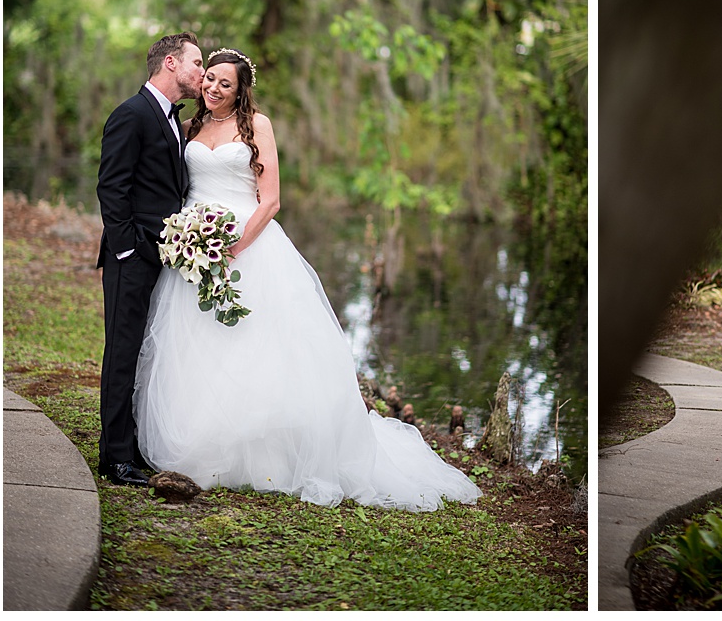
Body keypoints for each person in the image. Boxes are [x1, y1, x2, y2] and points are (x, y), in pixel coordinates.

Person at [133, 48, 482, 510]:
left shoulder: (257, 125)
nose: (215, 88)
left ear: (240, 92)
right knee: (193, 343)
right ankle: (201, 440)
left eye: (226, 84)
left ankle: (262, 450)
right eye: (210, 78)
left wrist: (234, 247)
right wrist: (190, 239)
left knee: (254, 345)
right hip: (194, 249)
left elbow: (271, 200)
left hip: (246, 245)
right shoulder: (189, 127)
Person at [97, 32, 205, 486]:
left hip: (160, 255)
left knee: (143, 352)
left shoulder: (172, 120)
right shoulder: (132, 113)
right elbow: (112, 187)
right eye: (197, 63)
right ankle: (114, 458)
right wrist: (126, 247)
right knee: (122, 352)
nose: (202, 72)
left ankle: (133, 448)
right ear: (170, 63)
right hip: (131, 255)